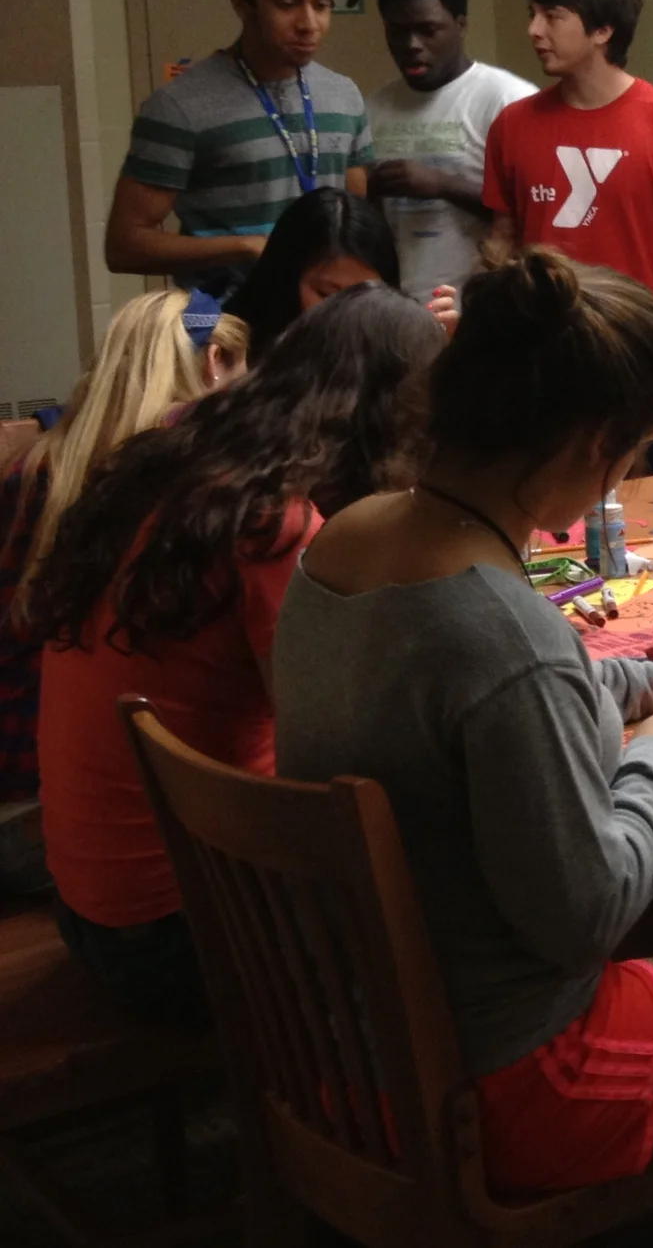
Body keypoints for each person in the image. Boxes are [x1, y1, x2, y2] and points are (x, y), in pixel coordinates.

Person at [277, 252, 653, 1198]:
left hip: (345, 1031)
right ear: (595, 443)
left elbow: (496, 699)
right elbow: (587, 913)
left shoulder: (345, 536)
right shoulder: (502, 633)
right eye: (630, 454)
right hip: (502, 1072)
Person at [28, 286, 440, 1024]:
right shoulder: (269, 521)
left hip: (91, 912)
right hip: (177, 943)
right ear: (389, 417)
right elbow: (347, 746)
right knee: (456, 860)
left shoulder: (164, 464)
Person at [0, 290, 246, 821]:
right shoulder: (177, 487)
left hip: (22, 737)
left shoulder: (38, 465)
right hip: (89, 766)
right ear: (213, 362)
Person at [483, 0, 653, 473]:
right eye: (532, 14)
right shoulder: (512, 126)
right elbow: (501, 241)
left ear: (602, 30)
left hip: (643, 356)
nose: (534, 31)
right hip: (546, 356)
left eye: (552, 16)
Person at [107, 0, 373, 296]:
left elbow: (359, 217)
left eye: (322, 4)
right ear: (242, 2)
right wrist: (246, 247)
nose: (309, 23)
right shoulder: (181, 106)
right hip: (222, 315)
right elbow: (124, 246)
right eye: (287, 3)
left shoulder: (344, 96)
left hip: (326, 315)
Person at [365, 0, 539, 301]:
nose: (412, 45)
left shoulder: (509, 100)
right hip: (401, 304)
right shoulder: (374, 107)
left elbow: (538, 211)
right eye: (398, 31)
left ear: (460, 25)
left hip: (487, 303)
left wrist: (442, 185)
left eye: (427, 30)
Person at [220, 185, 400, 349]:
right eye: (326, 294)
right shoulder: (231, 353)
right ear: (286, 278)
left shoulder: (399, 351)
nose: (347, 314)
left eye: (365, 297)